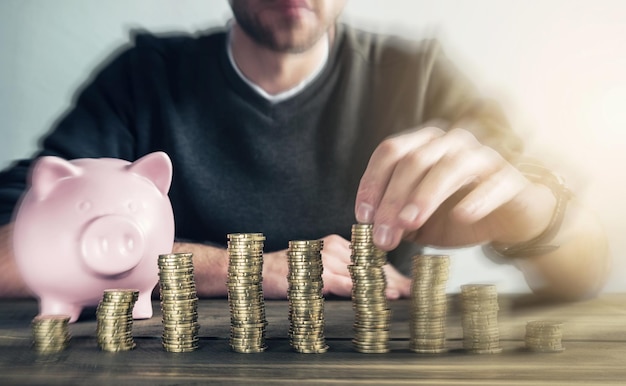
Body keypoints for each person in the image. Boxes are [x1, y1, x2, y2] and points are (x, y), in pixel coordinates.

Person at [0, 0, 610, 301]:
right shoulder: (143, 80)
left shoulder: (420, 74)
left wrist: (534, 218)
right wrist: (242, 270)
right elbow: (10, 247)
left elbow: (589, 270)